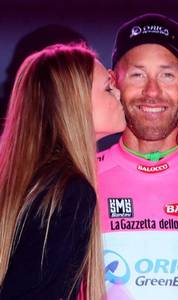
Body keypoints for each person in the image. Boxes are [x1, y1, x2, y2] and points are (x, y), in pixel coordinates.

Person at [98, 13, 178, 300]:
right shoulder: (81, 178)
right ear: (114, 82)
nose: (152, 92)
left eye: (166, 75)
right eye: (138, 75)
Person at [0, 43, 126, 299]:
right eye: (107, 88)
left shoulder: (36, 183)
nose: (119, 94)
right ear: (76, 104)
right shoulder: (70, 193)